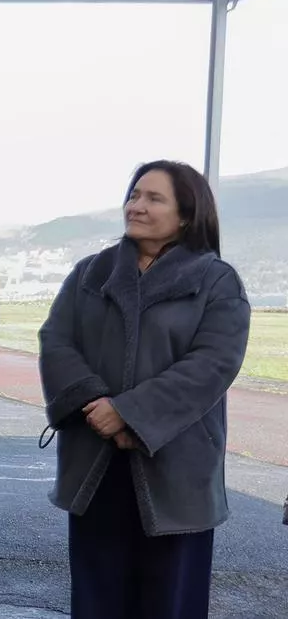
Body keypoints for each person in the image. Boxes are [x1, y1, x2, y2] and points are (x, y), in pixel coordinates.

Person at [38, 160, 251, 619]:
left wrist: (130, 414)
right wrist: (95, 405)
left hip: (176, 474)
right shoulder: (89, 273)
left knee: (169, 605)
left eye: (154, 198)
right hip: (95, 465)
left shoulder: (216, 281)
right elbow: (56, 341)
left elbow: (212, 364)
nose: (136, 205)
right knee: (97, 602)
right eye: (134, 195)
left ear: (187, 215)